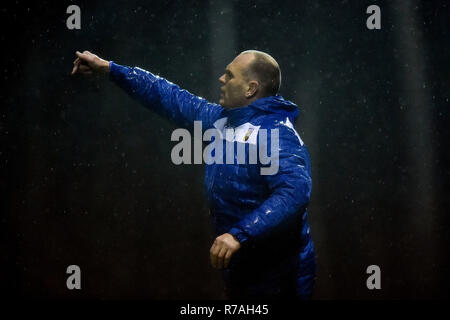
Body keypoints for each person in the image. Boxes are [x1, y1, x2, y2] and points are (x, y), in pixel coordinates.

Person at [71, 49, 316, 299]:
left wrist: (239, 234)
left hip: (279, 275)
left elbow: (295, 192)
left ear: (250, 89)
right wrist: (111, 69)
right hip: (244, 266)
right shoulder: (224, 120)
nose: (222, 79)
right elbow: (167, 95)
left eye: (229, 76)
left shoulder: (278, 133)